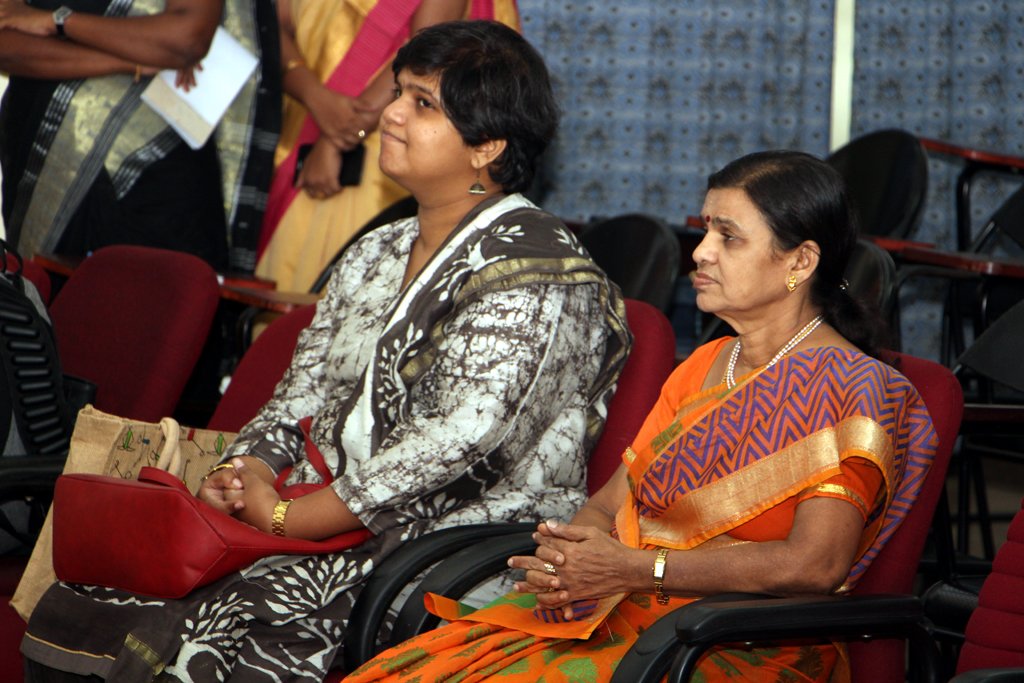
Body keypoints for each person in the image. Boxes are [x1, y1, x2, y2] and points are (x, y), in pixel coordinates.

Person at [21, 20, 631, 681]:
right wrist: (247, 470)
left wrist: (293, 516)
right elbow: (304, 388)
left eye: (422, 104)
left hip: (454, 547)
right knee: (110, 586)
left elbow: (459, 442)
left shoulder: (541, 272)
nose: (390, 114)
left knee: (228, 614)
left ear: (487, 146)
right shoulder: (377, 250)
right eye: (398, 93)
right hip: (324, 513)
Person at [343, 150, 940, 682]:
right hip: (622, 612)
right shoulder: (704, 364)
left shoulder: (854, 386)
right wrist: (570, 561)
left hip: (741, 644)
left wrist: (635, 568)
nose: (700, 252)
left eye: (729, 237)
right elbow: (609, 504)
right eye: (704, 229)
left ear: (801, 261)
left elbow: (815, 565)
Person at [257, 0, 519, 293]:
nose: (396, 110)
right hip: (303, 124)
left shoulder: (397, 116)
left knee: (351, 285)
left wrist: (337, 138)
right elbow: (269, 23)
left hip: (369, 151)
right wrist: (315, 96)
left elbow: (425, 61)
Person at [0, 0, 279, 272]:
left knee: (148, 295)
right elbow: (7, 43)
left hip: (155, 167)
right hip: (42, 153)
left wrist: (57, 21)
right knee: (47, 295)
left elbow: (187, 38)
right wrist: (130, 59)